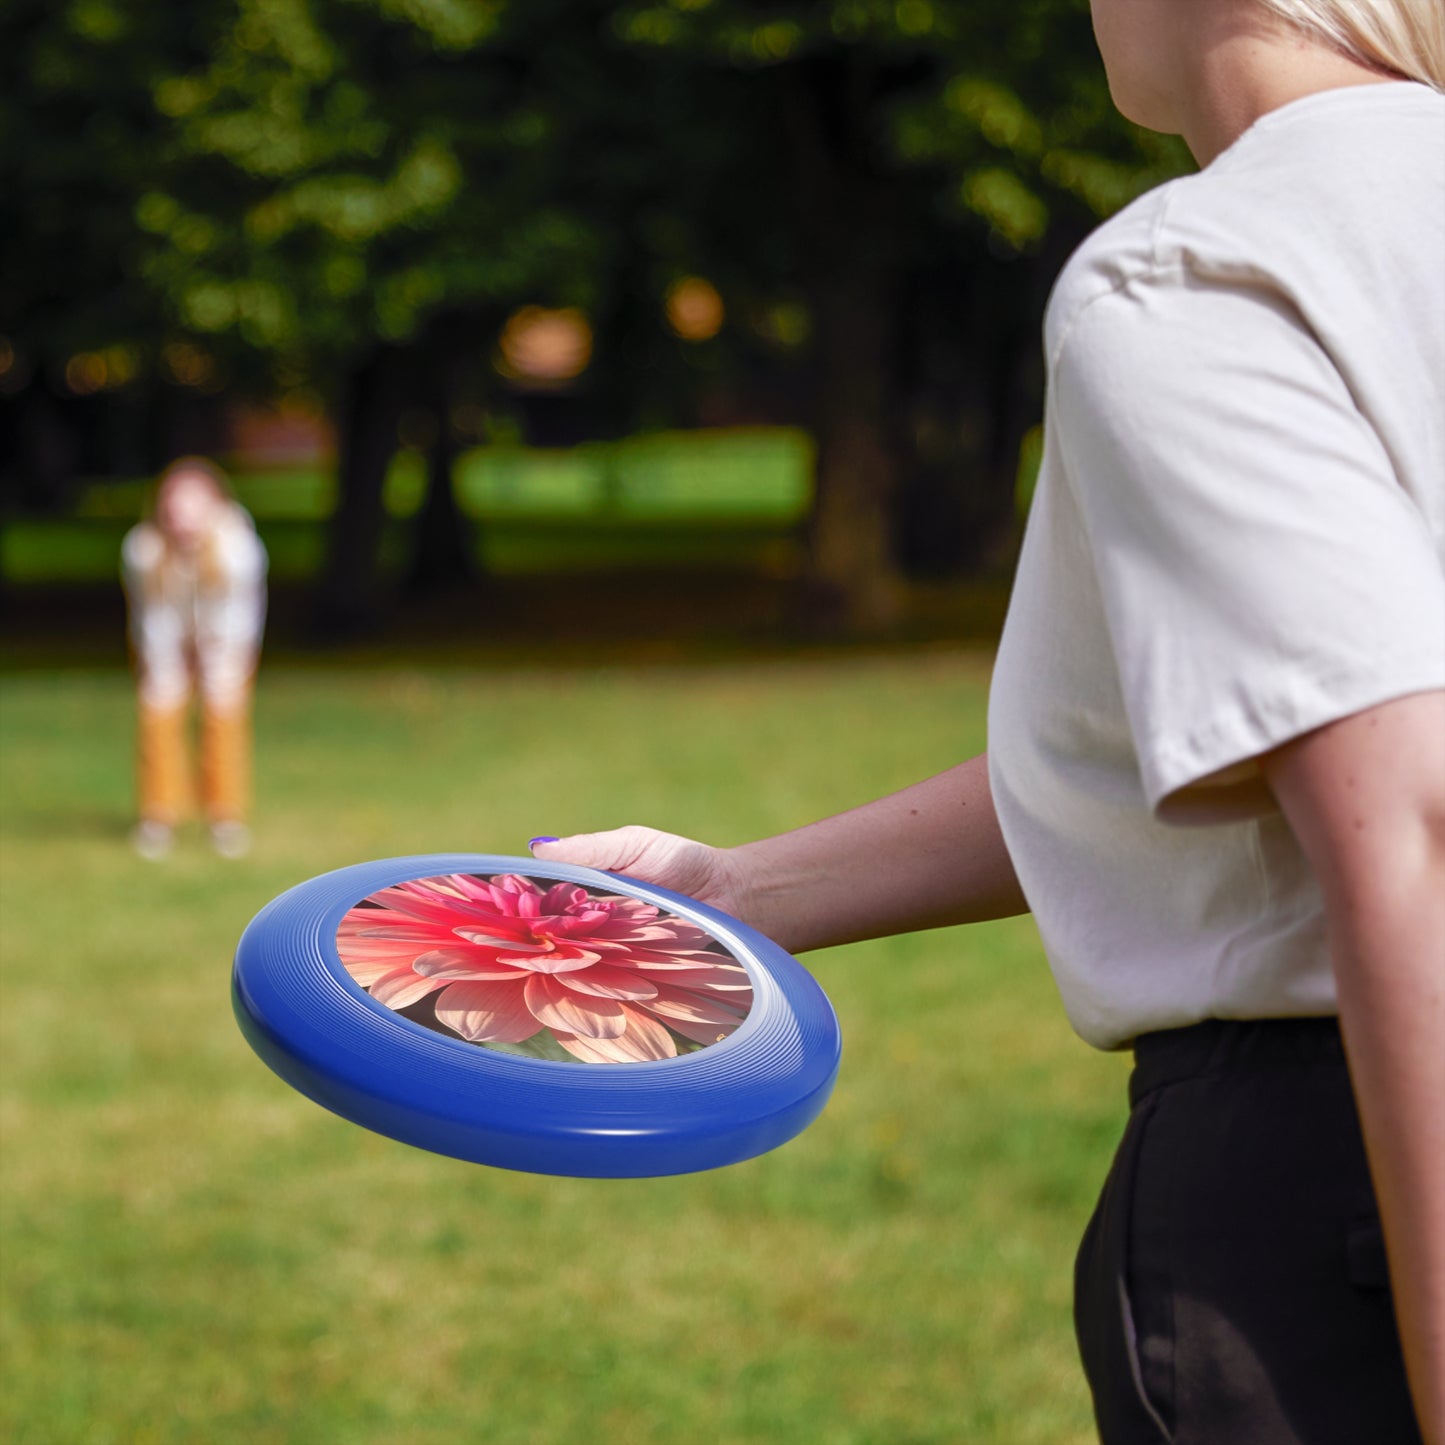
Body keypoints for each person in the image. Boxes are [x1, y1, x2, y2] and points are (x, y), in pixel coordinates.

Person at [529, 2, 1445, 1440]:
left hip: (1343, 1192)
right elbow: (1218, 744)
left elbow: (1409, 826)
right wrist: (736, 892)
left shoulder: (1202, 270)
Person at [121, 457, 268, 860]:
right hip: (165, 639)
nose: (182, 517)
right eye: (174, 506)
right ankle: (158, 817)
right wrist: (167, 664)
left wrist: (215, 658)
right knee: (158, 712)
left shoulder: (238, 549)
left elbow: (238, 616)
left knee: (223, 716)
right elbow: (152, 616)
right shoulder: (143, 549)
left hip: (225, 640)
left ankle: (225, 818)